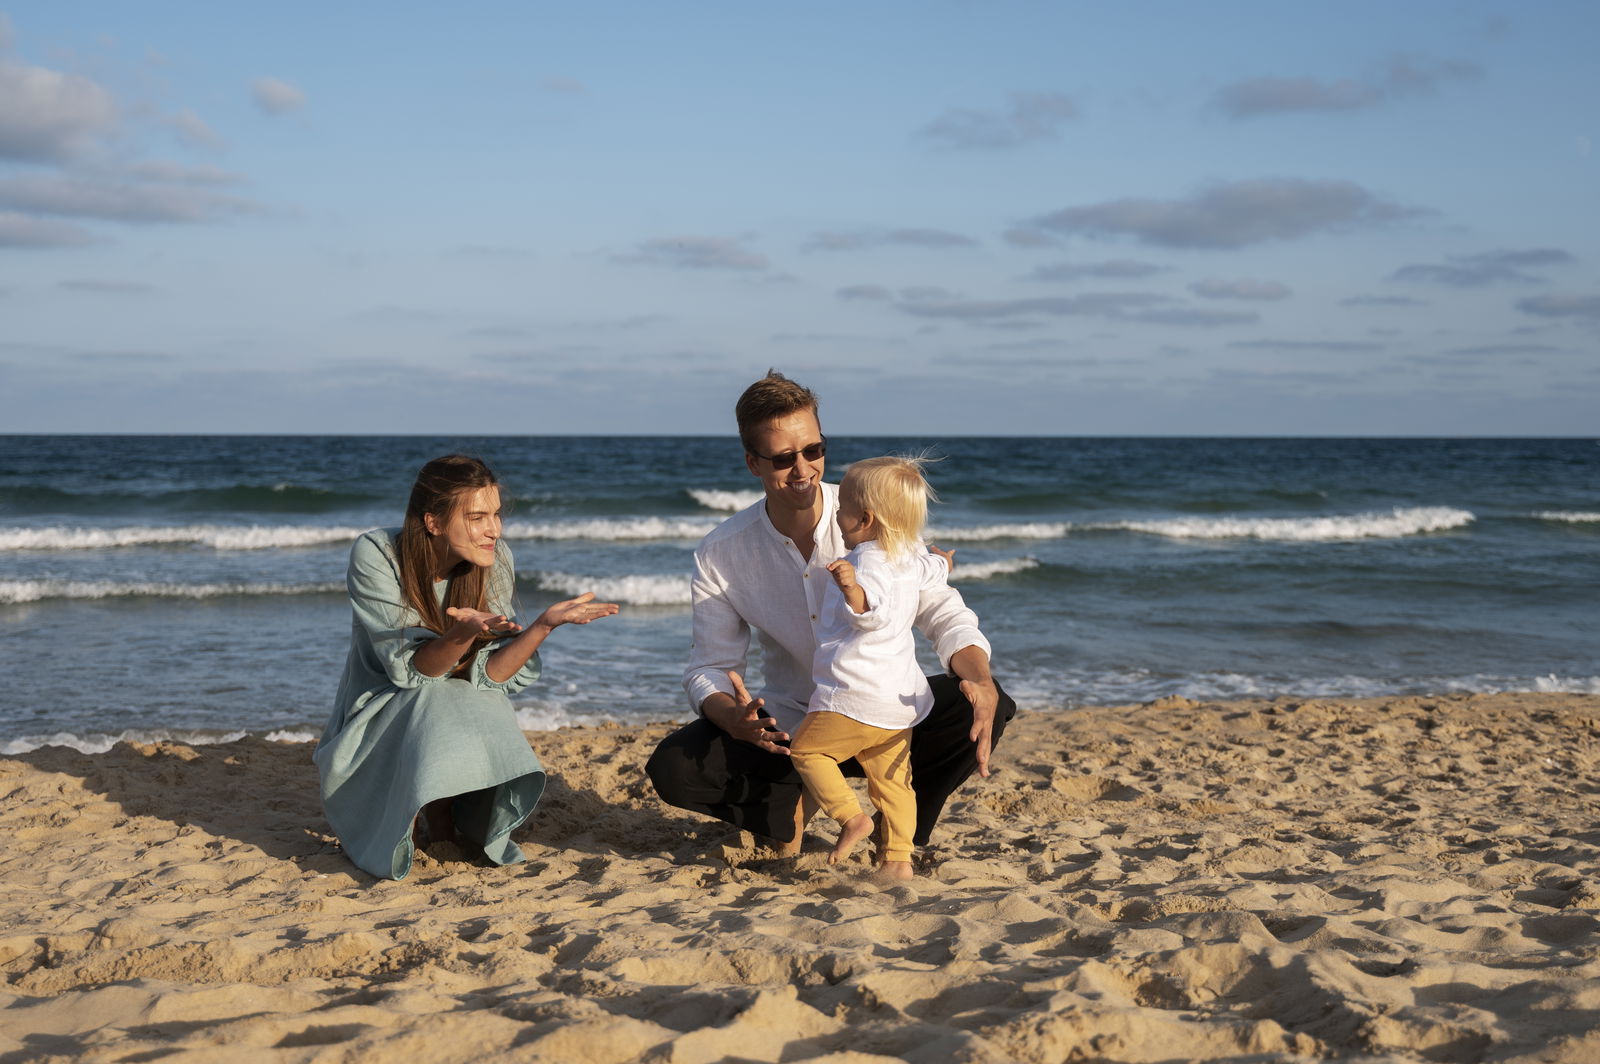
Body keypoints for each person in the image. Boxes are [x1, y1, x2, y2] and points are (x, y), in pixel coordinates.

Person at [646, 370, 1015, 857]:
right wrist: (731, 716)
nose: (802, 470)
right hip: (794, 722)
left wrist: (978, 676)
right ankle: (789, 804)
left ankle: (902, 826)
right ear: (752, 463)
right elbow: (709, 668)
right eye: (782, 458)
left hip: (884, 712)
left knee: (985, 701)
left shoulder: (869, 510)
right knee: (675, 766)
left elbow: (941, 609)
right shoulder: (721, 551)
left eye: (813, 451)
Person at [315, 454, 618, 880]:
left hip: (449, 703)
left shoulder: (494, 558)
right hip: (380, 711)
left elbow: (490, 676)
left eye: (496, 515)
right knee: (431, 694)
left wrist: (544, 625)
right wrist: (462, 634)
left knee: (479, 697)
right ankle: (418, 813)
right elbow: (411, 672)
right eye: (477, 517)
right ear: (434, 522)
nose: (493, 529)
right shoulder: (378, 554)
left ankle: (447, 812)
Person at [791, 455, 953, 880]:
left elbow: (872, 613)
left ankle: (851, 818)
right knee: (894, 783)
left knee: (808, 751)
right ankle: (897, 860)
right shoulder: (912, 559)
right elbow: (935, 570)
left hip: (853, 694)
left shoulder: (865, 562)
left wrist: (851, 590)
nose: (836, 515)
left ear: (864, 519)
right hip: (897, 702)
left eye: (841, 507)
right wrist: (945, 560)